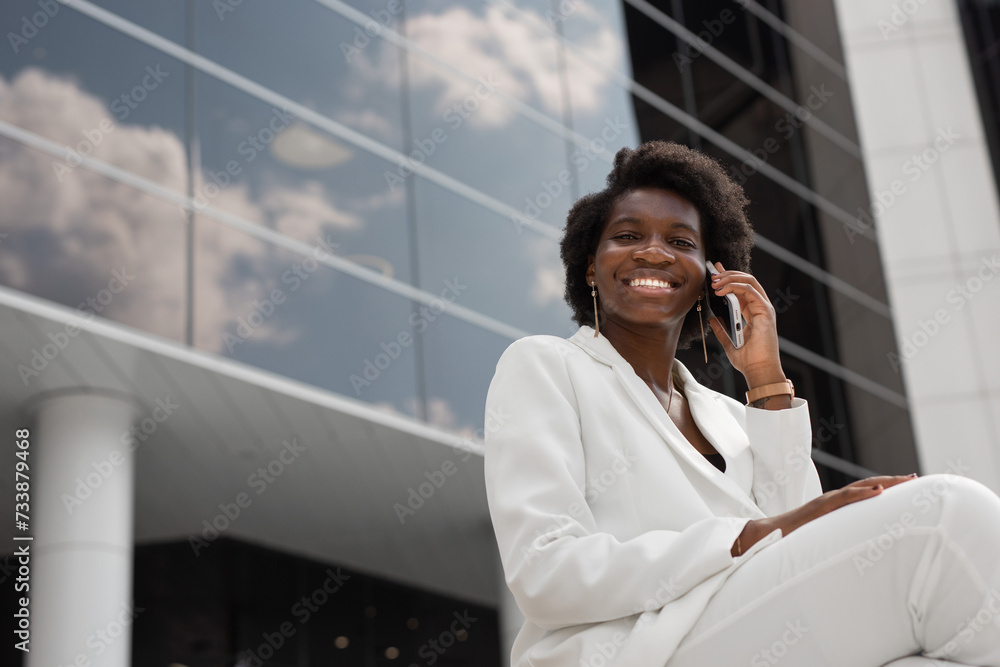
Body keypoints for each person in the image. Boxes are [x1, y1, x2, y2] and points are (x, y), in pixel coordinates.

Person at [483, 141, 1000, 667]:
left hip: (742, 633)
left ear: (710, 277)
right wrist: (742, 538)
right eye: (627, 236)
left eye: (680, 241)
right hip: (631, 651)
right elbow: (545, 572)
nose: (654, 252)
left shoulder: (731, 416)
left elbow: (802, 552)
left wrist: (765, 381)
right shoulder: (544, 366)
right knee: (947, 520)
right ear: (590, 269)